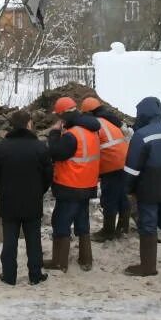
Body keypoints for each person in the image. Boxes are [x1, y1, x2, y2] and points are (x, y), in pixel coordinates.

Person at [0, 109, 53, 286]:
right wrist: (39, 190)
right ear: (28, 124)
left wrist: (4, 190)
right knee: (34, 239)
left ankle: (9, 276)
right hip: (33, 200)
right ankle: (35, 275)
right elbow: (48, 175)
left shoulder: (1, 147)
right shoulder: (39, 147)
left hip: (9, 200)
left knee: (9, 240)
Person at [123, 96, 161, 277]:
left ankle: (148, 267)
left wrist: (127, 188)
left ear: (143, 113)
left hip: (147, 185)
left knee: (148, 222)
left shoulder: (141, 136)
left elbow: (132, 169)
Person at [44, 96, 101, 273]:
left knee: (60, 221)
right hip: (87, 185)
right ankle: (86, 259)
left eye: (60, 117)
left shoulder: (73, 135)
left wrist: (54, 133)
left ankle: (59, 262)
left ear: (64, 115)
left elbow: (55, 152)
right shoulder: (91, 131)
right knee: (82, 221)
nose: (59, 121)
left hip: (70, 185)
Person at [80, 96, 132, 242]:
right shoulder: (110, 121)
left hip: (111, 164)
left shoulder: (95, 124)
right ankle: (123, 228)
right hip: (124, 162)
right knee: (121, 194)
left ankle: (108, 232)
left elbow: (91, 147)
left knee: (109, 197)